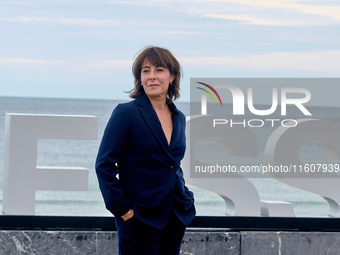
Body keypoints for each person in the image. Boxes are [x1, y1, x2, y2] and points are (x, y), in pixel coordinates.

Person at [95, 46, 196, 255]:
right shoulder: (126, 113)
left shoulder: (178, 117)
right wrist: (123, 209)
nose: (151, 76)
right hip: (138, 218)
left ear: (172, 77)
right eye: (145, 71)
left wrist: (186, 197)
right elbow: (104, 165)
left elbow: (172, 164)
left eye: (159, 70)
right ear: (139, 78)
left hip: (174, 216)